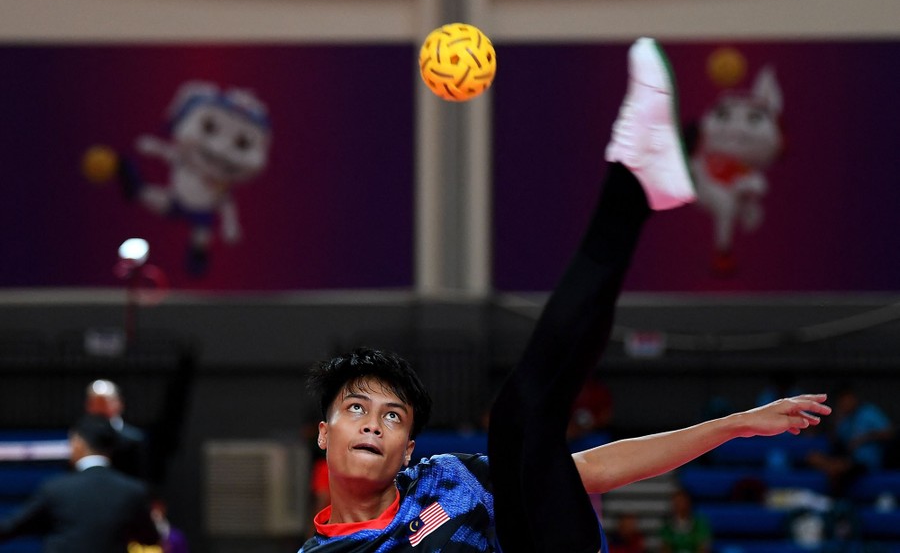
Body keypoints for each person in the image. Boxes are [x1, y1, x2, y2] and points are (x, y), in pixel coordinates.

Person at [300, 37, 831, 553]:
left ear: (409, 450)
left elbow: (591, 470)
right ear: (324, 434)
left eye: (394, 416)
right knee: (516, 425)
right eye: (357, 408)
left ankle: (634, 182)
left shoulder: (443, 480)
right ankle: (635, 184)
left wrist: (735, 425)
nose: (374, 423)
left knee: (520, 428)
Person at [0, 414, 160, 552]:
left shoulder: (56, 489)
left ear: (78, 443)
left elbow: (11, 527)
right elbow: (151, 538)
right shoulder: (133, 491)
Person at [807, 383, 894, 498]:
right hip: (847, 458)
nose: (846, 403)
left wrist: (865, 437)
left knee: (837, 469)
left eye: (848, 399)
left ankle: (835, 500)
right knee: (813, 457)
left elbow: (889, 433)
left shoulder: (869, 412)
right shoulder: (843, 420)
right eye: (842, 400)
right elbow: (837, 443)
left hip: (866, 461)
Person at [85, 379, 150, 481]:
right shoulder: (81, 437)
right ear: (88, 406)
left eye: (105, 402)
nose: (100, 407)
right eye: (96, 402)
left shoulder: (134, 438)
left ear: (119, 403)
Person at [659, 488, 712, 553]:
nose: (679, 505)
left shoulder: (699, 524)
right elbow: (665, 548)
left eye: (682, 501)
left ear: (689, 502)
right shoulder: (667, 526)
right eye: (676, 502)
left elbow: (703, 547)